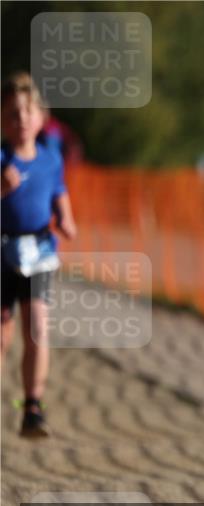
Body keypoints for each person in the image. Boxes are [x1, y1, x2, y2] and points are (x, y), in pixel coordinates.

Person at [1, 73, 77, 437]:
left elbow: (58, 189)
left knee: (37, 329)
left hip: (40, 251)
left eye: (28, 111)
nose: (21, 119)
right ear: (2, 120)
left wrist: (66, 217)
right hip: (3, 252)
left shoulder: (50, 158)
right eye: (12, 113)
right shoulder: (1, 159)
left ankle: (33, 406)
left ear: (42, 117)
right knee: (2, 335)